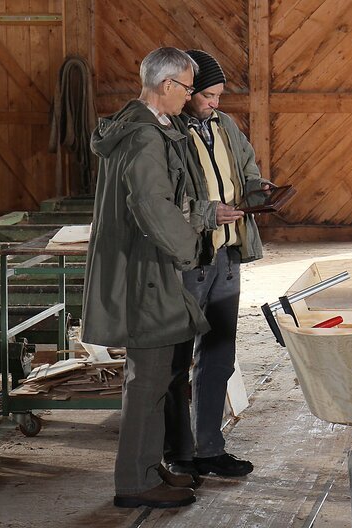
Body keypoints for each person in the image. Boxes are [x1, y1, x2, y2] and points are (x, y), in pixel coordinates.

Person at [81, 47, 208, 509]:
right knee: (148, 381)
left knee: (152, 379)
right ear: (166, 85)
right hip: (146, 272)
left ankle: (149, 466)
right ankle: (135, 482)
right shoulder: (145, 137)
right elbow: (151, 205)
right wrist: (189, 249)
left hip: (142, 266)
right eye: (187, 88)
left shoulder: (131, 127)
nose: (190, 96)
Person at [164, 49, 268, 480]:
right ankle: (178, 454)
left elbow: (246, 170)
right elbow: (162, 201)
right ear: (186, 92)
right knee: (175, 362)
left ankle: (209, 448)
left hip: (226, 255)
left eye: (218, 95)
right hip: (188, 259)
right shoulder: (168, 132)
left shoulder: (224, 126)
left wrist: (260, 190)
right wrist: (207, 213)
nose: (214, 103)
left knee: (220, 355)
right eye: (207, 95)